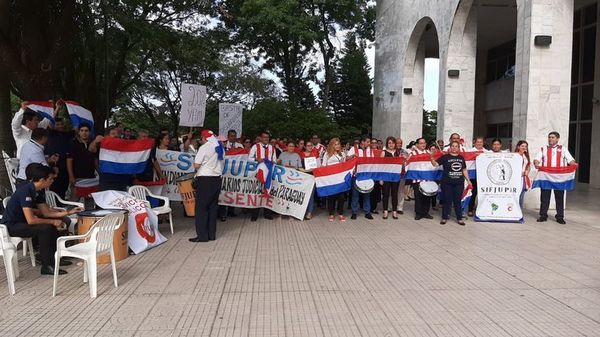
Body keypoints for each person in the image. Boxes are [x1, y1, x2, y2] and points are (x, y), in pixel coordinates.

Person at [1, 164, 82, 275]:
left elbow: (46, 212)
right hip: (12, 226)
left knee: (56, 222)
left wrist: (68, 212)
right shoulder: (26, 191)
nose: (52, 181)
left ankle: (55, 257)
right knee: (46, 228)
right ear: (42, 180)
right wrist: (53, 221)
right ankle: (47, 266)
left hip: (23, 222)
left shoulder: (38, 191)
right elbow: (31, 220)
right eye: (50, 179)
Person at [533, 131, 576, 224]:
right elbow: (536, 159)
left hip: (559, 177)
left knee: (559, 197)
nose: (550, 139)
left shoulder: (563, 149)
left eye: (552, 137)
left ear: (557, 139)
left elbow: (570, 159)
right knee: (544, 197)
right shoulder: (543, 149)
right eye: (549, 137)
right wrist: (536, 163)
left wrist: (573, 164)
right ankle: (543, 215)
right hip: (546, 176)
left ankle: (560, 217)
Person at [190, 130, 224, 242]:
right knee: (213, 208)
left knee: (201, 208)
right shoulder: (220, 147)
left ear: (204, 138)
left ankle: (202, 236)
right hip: (216, 179)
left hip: (205, 179)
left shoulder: (205, 147)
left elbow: (196, 165)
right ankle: (211, 234)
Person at [430, 141, 471, 226]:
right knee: (447, 200)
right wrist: (431, 157)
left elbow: (464, 170)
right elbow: (435, 164)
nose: (454, 147)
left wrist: (468, 180)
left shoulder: (461, 158)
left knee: (457, 201)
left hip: (459, 183)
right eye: (453, 146)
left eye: (456, 146)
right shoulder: (445, 157)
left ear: (458, 148)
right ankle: (444, 217)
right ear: (450, 147)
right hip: (447, 183)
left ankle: (459, 218)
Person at [248, 131, 277, 221]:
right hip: (258, 173)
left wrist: (274, 162)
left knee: (268, 192)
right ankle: (255, 214)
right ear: (261, 138)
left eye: (267, 137)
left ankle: (267, 213)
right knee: (257, 193)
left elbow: (274, 160)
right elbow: (249, 158)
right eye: (264, 137)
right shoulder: (255, 147)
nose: (266, 139)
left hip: (269, 173)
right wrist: (257, 159)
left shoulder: (272, 148)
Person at [67, 123, 100, 193]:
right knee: (74, 200)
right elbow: (69, 160)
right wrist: (71, 176)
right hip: (77, 177)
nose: (84, 133)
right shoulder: (73, 143)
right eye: (82, 131)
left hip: (91, 177)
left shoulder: (93, 144)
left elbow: (95, 160)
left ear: (90, 132)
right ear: (78, 132)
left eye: (86, 131)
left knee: (90, 200)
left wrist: (100, 173)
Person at [97, 126, 132, 191]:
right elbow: (91, 149)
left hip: (122, 181)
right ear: (107, 136)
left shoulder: (125, 146)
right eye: (113, 134)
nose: (116, 135)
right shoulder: (102, 146)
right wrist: (96, 141)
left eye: (118, 134)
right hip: (108, 181)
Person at [347, 137, 373, 220]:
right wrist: (352, 156)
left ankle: (367, 212)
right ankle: (354, 212)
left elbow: (372, 162)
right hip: (356, 175)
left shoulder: (370, 151)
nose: (369, 143)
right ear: (363, 142)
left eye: (369, 142)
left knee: (367, 194)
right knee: (355, 194)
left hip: (366, 175)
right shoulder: (353, 149)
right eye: (368, 142)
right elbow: (346, 159)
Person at [322, 138, 347, 222]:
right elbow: (323, 165)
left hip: (340, 179)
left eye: (338, 144)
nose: (337, 146)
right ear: (332, 145)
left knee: (341, 196)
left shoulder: (343, 154)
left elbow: (345, 166)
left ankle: (340, 213)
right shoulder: (327, 154)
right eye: (335, 144)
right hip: (330, 178)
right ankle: (331, 214)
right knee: (331, 196)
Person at [411, 137, 434, 220]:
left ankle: (426, 212)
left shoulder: (429, 153)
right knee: (418, 197)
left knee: (427, 196)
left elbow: (433, 164)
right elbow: (409, 164)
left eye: (424, 143)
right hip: (417, 178)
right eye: (421, 143)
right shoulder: (413, 153)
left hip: (427, 178)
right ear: (417, 145)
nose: (423, 144)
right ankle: (418, 213)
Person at [466, 136, 488, 216]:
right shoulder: (469, 151)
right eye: (477, 142)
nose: (479, 143)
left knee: (483, 193)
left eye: (481, 142)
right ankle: (470, 209)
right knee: (473, 193)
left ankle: (481, 209)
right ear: (474, 142)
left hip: (483, 176)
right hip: (473, 175)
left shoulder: (487, 152)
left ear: (483, 143)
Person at [380, 137, 401, 220]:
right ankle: (385, 211)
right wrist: (381, 178)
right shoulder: (383, 153)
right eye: (389, 143)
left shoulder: (398, 152)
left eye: (392, 143)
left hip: (395, 176)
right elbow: (380, 166)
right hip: (386, 177)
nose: (391, 144)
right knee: (385, 194)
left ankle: (394, 211)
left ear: (395, 144)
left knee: (394, 194)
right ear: (387, 144)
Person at [300, 141, 320, 219]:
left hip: (312, 177)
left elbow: (318, 166)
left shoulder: (315, 155)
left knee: (310, 195)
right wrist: (305, 171)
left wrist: (309, 170)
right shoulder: (301, 155)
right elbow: (298, 166)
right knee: (303, 194)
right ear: (305, 146)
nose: (310, 147)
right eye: (308, 145)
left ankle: (309, 212)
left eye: (311, 145)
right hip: (303, 176)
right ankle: (302, 211)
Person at [515, 140, 531, 209]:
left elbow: (528, 165)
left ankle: (520, 210)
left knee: (522, 194)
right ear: (518, 147)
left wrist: (527, 171)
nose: (524, 147)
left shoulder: (526, 156)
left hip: (523, 178)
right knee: (516, 194)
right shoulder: (515, 155)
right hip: (516, 178)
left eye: (525, 146)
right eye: (522, 146)